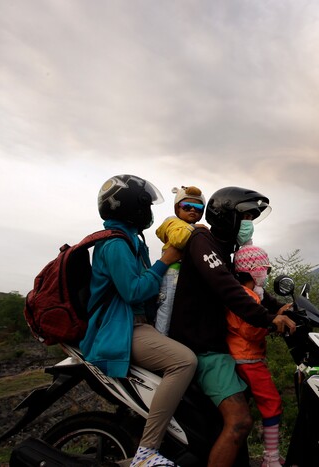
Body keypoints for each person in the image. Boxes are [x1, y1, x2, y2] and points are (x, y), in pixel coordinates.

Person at [168, 186, 295, 467]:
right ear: (227, 216)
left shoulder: (229, 251)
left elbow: (247, 285)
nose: (249, 223)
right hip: (203, 349)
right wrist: (267, 318)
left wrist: (280, 308)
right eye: (246, 216)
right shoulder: (203, 240)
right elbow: (226, 287)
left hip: (218, 348)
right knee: (240, 421)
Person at [80, 174, 197, 467]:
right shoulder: (116, 244)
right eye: (145, 205)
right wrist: (165, 260)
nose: (150, 213)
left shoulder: (132, 240)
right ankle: (146, 451)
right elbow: (133, 291)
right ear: (131, 207)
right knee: (184, 361)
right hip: (121, 328)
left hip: (135, 324)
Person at [227, 244, 284, 467]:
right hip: (248, 358)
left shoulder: (248, 294)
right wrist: (271, 325)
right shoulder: (246, 296)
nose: (267, 274)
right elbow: (250, 330)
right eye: (265, 270)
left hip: (242, 355)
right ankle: (270, 457)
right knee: (272, 403)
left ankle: (271, 453)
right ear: (254, 271)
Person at [154, 185, 207, 334]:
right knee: (167, 311)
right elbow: (178, 240)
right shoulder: (173, 223)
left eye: (197, 206)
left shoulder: (189, 226)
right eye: (187, 206)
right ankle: (161, 341)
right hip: (172, 274)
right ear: (177, 208)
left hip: (183, 275)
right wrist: (195, 228)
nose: (192, 210)